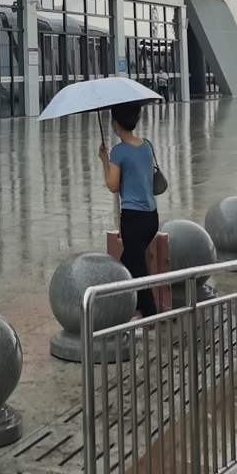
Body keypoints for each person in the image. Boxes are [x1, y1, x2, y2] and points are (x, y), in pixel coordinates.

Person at [99, 102, 166, 318]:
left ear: (115, 124)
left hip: (133, 219)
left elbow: (113, 185)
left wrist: (104, 161)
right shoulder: (147, 145)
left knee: (134, 271)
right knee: (129, 265)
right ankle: (133, 309)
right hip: (151, 218)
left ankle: (150, 315)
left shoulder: (118, 152)